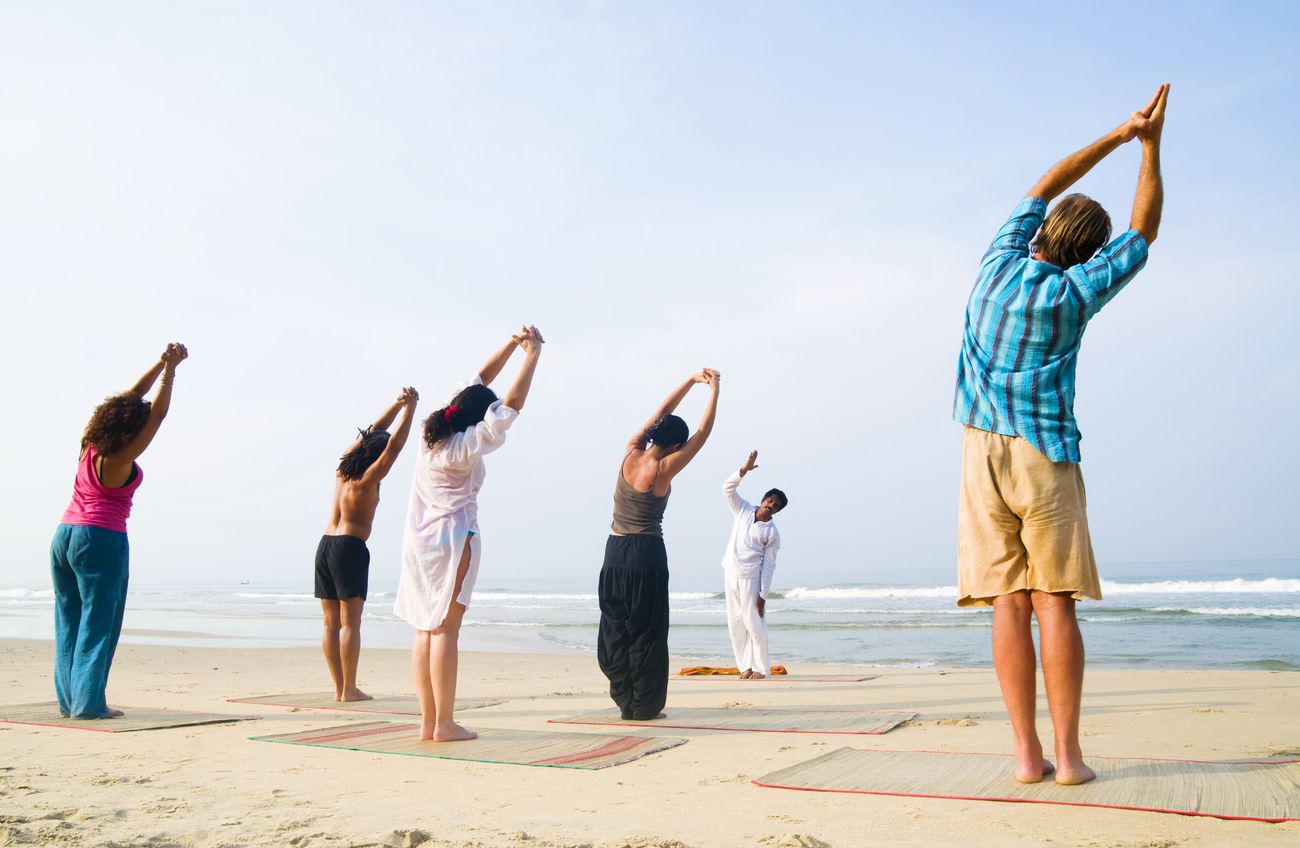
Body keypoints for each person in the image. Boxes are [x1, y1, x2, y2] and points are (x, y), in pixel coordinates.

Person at [953, 84, 1169, 785]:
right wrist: (1151, 147)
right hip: (1044, 453)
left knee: (1008, 603)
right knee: (1055, 602)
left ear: (1042, 231)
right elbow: (1144, 231)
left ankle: (1024, 756)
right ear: (1087, 254)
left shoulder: (996, 265)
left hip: (980, 450)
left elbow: (1045, 183)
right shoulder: (1075, 294)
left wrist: (1118, 133)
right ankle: (1070, 758)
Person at [394, 326, 544, 741]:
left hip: (419, 542)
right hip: (453, 538)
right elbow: (510, 406)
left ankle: (429, 722)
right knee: (445, 629)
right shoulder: (463, 446)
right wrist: (533, 355)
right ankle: (444, 724)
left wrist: (514, 345)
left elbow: (479, 379)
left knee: (425, 628)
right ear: (479, 415)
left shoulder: (434, 435)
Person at [50, 342, 189, 718]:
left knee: (68, 619)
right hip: (100, 538)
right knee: (99, 623)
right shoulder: (119, 458)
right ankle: (89, 705)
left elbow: (131, 397)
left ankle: (70, 701)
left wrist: (162, 362)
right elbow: (157, 414)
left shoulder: (89, 444)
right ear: (130, 428)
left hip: (64, 536)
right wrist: (172, 372)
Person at [599, 368, 720, 720]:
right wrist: (715, 390)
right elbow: (704, 433)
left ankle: (625, 699)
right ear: (675, 445)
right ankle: (645, 706)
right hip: (646, 553)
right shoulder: (664, 469)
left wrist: (690, 381)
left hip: (614, 551)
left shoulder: (630, 452)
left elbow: (660, 413)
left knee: (616, 625)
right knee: (647, 629)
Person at [316, 386, 420, 702]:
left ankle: (340, 689)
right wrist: (411, 409)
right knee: (350, 624)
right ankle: (349, 689)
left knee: (330, 624)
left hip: (325, 546)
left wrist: (397, 404)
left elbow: (372, 432)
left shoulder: (343, 470)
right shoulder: (368, 479)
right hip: (349, 549)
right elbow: (395, 446)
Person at [720, 450, 786, 679]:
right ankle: (744, 667)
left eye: (775, 506)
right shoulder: (743, 510)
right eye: (770, 500)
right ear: (763, 499)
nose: (771, 506)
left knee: (754, 624)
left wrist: (763, 595)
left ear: (777, 510)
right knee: (735, 624)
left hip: (751, 579)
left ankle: (761, 668)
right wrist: (743, 471)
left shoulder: (772, 533)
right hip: (731, 573)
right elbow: (727, 489)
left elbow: (769, 566)